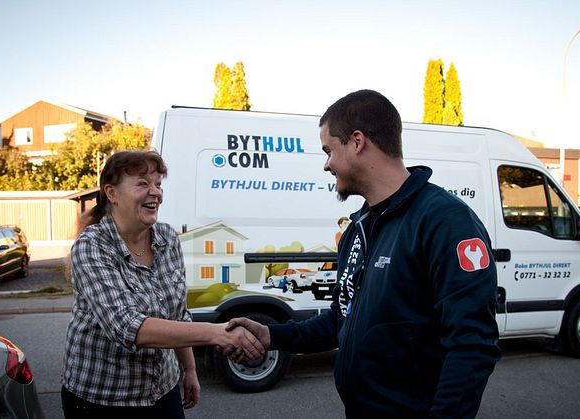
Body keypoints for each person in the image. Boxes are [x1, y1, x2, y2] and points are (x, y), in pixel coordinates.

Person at [227, 90, 501, 417]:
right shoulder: (357, 227)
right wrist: (273, 335)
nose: (326, 164)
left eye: (328, 150)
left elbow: (472, 347)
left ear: (357, 142)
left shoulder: (445, 221)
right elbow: (340, 319)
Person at [61, 150, 264, 418]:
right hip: (104, 397)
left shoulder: (167, 238)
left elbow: (177, 314)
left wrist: (189, 369)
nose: (155, 192)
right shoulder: (92, 246)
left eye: (158, 184)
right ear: (112, 193)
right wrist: (217, 333)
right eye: (143, 184)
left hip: (163, 389)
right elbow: (127, 326)